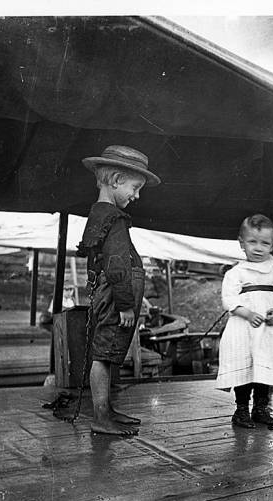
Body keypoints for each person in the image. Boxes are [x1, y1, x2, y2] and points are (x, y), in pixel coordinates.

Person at [76, 145, 161, 435]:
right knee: (104, 355)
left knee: (108, 352)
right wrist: (125, 304)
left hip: (111, 294)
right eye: (135, 188)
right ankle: (101, 417)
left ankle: (106, 409)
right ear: (115, 180)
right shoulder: (114, 219)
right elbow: (115, 266)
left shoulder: (100, 215)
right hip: (116, 297)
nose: (136, 196)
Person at [216, 214, 273, 429]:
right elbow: (229, 299)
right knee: (244, 366)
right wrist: (248, 314)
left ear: (272, 245)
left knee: (265, 367)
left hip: (269, 329)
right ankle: (241, 409)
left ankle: (260, 408)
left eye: (265, 243)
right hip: (244, 328)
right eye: (252, 242)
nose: (258, 248)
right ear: (241, 243)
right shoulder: (236, 273)